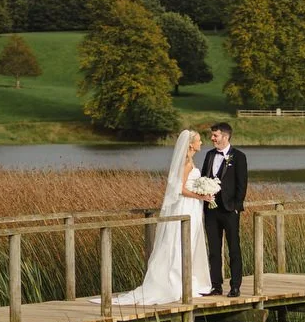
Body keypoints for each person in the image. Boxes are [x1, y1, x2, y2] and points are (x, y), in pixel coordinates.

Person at [103, 128, 213, 305]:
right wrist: (201, 195)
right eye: (199, 140)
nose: (201, 143)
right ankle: (175, 283)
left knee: (186, 242)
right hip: (186, 206)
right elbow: (180, 189)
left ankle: (182, 280)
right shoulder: (186, 162)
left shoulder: (189, 160)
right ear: (191, 144)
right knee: (179, 242)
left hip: (192, 207)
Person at [201, 121, 248, 297]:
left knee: (233, 248)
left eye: (215, 135)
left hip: (229, 210)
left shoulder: (239, 156)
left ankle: (235, 286)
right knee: (213, 249)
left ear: (225, 137)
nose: (212, 138)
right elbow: (205, 177)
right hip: (211, 210)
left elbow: (242, 184)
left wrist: (236, 207)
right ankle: (216, 286)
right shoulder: (209, 155)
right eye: (212, 135)